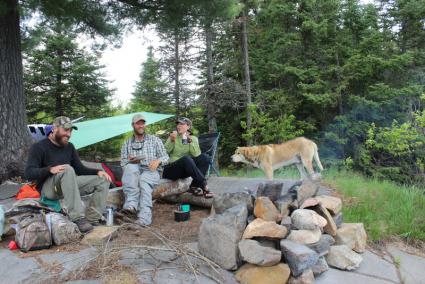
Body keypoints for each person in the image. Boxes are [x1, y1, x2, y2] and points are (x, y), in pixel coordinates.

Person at [25, 116, 112, 233]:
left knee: (103, 179)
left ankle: (92, 218)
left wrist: (98, 172)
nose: (68, 134)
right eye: (65, 130)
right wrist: (49, 169)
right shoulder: (39, 147)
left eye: (70, 130)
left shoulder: (69, 147)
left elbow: (80, 169)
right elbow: (28, 173)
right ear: (55, 129)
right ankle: (77, 218)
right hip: (48, 189)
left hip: (68, 184)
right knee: (67, 169)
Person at [120, 114, 169, 226]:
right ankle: (131, 206)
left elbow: (166, 157)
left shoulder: (155, 140)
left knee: (143, 180)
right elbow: (122, 163)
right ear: (133, 125)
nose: (141, 125)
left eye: (143, 123)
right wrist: (130, 161)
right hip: (134, 171)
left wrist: (158, 161)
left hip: (150, 171)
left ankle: (144, 218)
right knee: (130, 168)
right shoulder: (127, 143)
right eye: (138, 123)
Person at [163, 117, 213, 198]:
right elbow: (164, 152)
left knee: (205, 158)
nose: (179, 126)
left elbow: (197, 154)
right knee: (186, 159)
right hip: (171, 169)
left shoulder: (193, 138)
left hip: (185, 169)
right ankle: (204, 185)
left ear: (188, 127)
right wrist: (172, 140)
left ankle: (194, 186)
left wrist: (190, 141)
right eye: (178, 124)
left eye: (182, 124)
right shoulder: (172, 135)